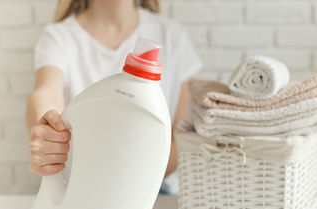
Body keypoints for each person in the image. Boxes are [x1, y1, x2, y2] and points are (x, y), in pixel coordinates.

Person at [25, 0, 202, 194]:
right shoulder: (60, 36)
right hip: (79, 187)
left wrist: (133, 189)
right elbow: (46, 93)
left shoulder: (171, 34)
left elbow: (183, 132)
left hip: (154, 190)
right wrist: (47, 133)